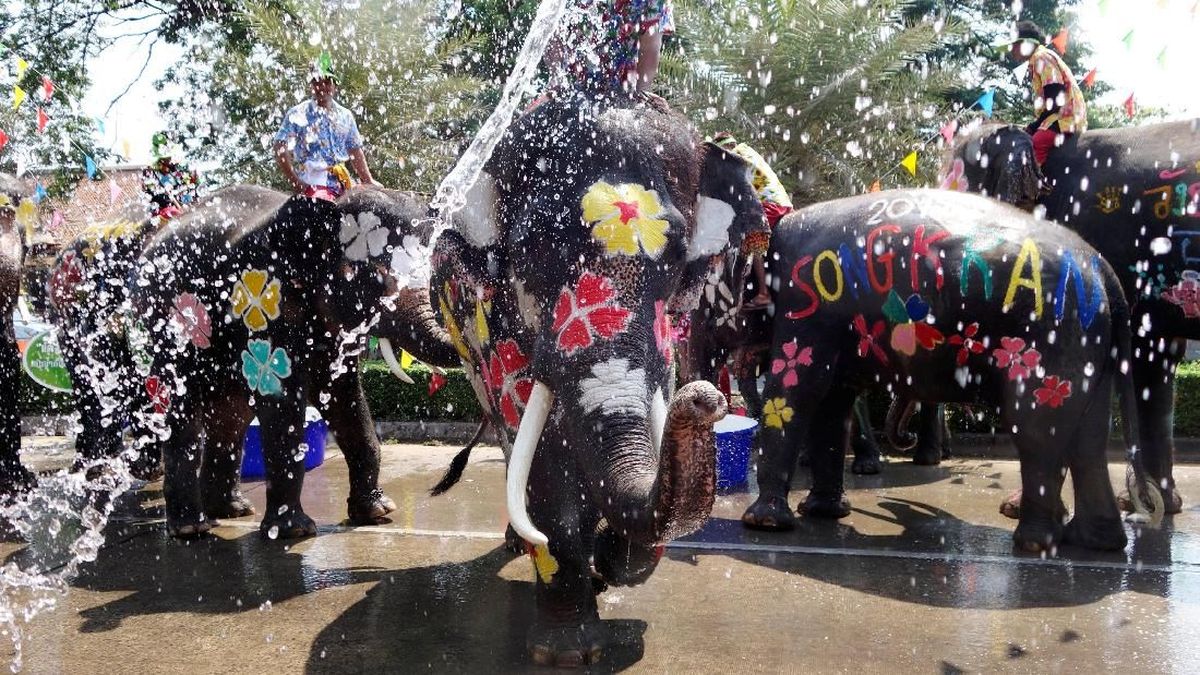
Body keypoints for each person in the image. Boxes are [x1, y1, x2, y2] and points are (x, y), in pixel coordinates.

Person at [273, 53, 380, 200]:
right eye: (317, 82)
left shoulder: (345, 115)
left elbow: (354, 150)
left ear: (335, 85)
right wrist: (296, 182)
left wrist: (368, 181)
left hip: (342, 182)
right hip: (313, 182)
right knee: (324, 207)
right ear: (311, 86)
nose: (322, 86)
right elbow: (280, 144)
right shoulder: (298, 114)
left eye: (327, 82)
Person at [712, 132, 793, 308]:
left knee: (752, 241)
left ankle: (763, 293)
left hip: (768, 206)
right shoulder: (749, 152)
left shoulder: (735, 160)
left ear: (725, 148)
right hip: (783, 202)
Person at [547, 0, 674, 95]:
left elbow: (650, 49)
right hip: (570, 81)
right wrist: (556, 76)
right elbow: (552, 27)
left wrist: (641, 93)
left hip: (620, 89)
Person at [1008, 20, 1087, 166]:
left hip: (1066, 116)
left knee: (1036, 143)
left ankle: (1034, 188)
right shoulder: (1037, 60)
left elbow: (1056, 99)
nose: (1011, 50)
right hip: (1058, 115)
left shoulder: (1041, 58)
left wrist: (1034, 125)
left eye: (1014, 46)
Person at [142, 132, 200, 220]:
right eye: (165, 159)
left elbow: (193, 189)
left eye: (170, 158)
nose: (169, 161)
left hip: (189, 212)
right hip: (165, 216)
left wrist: (193, 181)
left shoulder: (180, 169)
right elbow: (152, 198)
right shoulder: (150, 174)